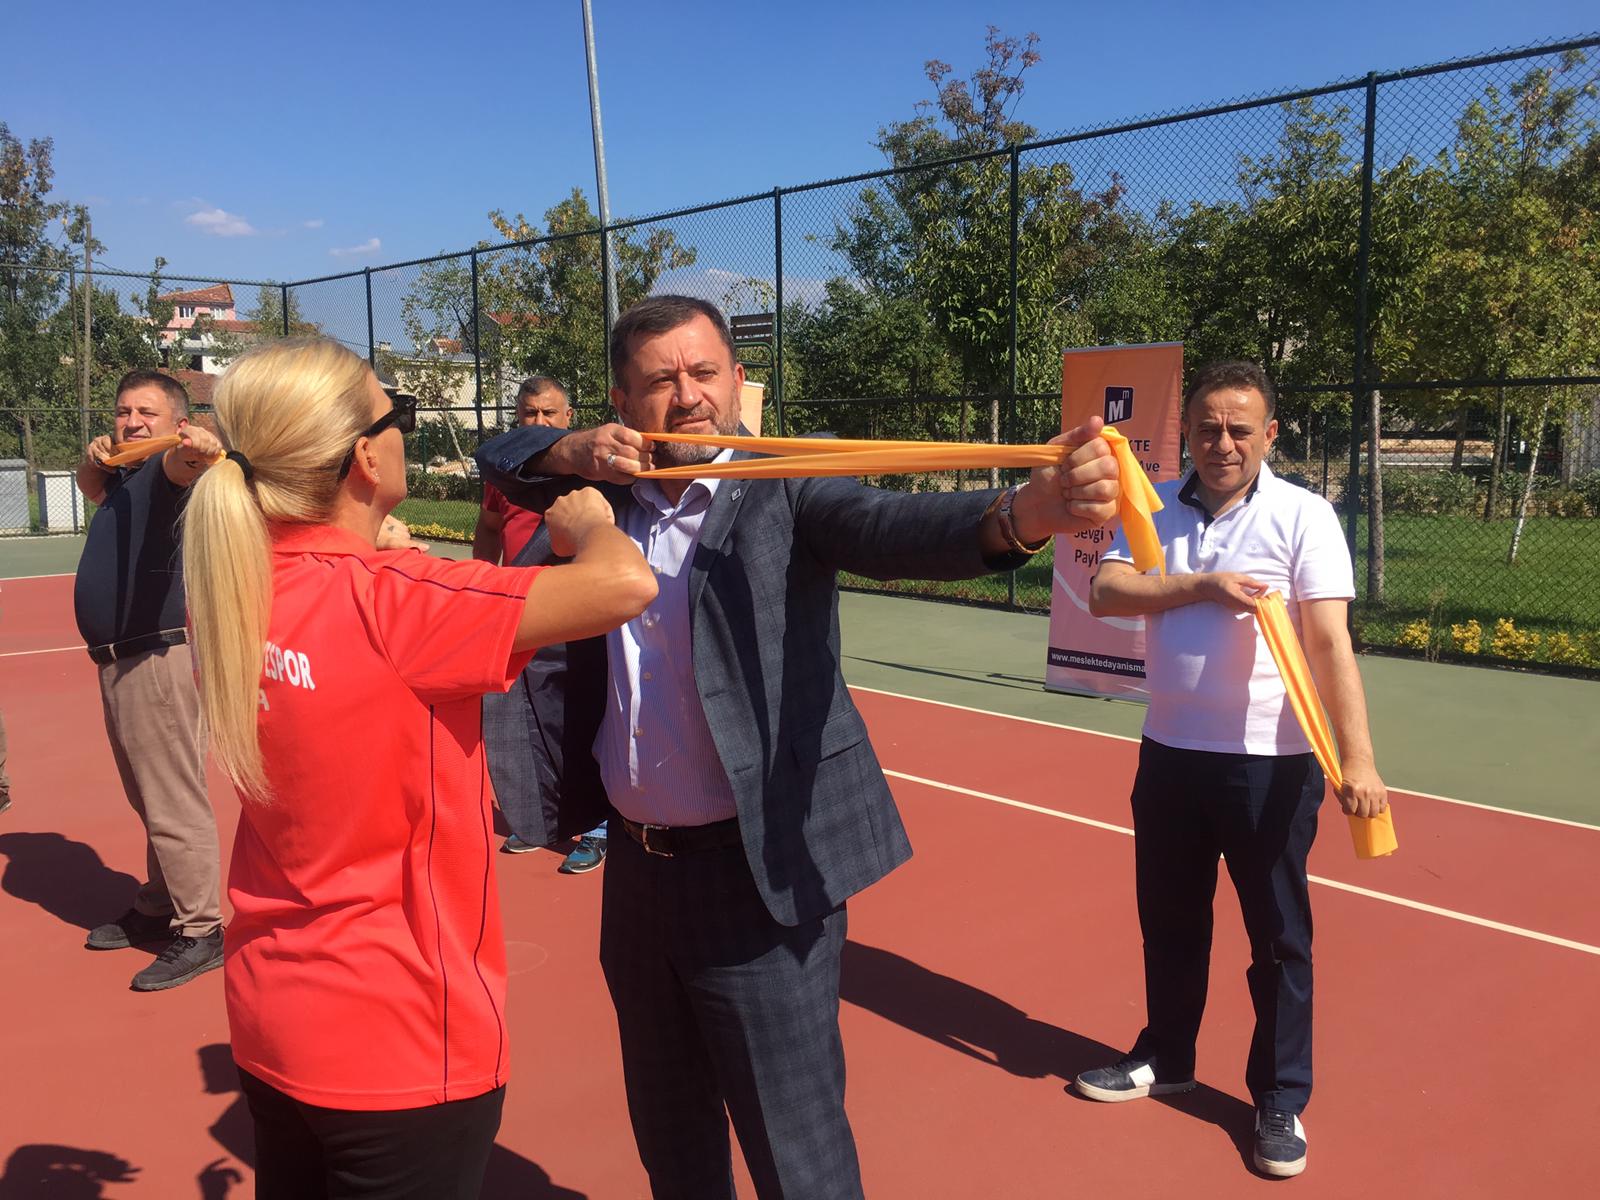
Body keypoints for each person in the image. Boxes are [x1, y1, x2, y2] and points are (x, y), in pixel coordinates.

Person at [476, 294, 1123, 1199]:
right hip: (637, 877)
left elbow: (890, 526)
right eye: (660, 381)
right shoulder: (602, 497)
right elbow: (501, 455)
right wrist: (567, 451)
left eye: (705, 373)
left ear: (739, 381)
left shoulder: (788, 482)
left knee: (797, 1156)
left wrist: (1025, 513)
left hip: (758, 875)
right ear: (620, 404)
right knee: (672, 1140)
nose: (688, 397)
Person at [180, 337, 654, 1200]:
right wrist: (588, 524)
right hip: (397, 1034)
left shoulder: (234, 583)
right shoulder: (397, 597)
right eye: (394, 415)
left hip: (272, 1009)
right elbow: (624, 586)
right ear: (366, 457)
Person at [1075, 360, 1388, 1180]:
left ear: (1269, 434)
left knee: (1278, 940)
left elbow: (1329, 643)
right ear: (1187, 431)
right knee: (1170, 921)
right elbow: (1109, 590)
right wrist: (1203, 586)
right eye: (1208, 428)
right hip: (1170, 755)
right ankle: (1166, 1055)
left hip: (1270, 768)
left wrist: (1357, 759)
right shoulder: (1155, 505)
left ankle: (1279, 1098)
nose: (1223, 443)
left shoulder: (1304, 515)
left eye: (1240, 430)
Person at [74, 369, 227, 991]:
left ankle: (202, 928)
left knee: (172, 798)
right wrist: (96, 457)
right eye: (122, 411)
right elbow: (90, 481)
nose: (131, 422)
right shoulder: (125, 476)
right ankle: (161, 903)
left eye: (146, 412)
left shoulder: (166, 471)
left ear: (177, 423)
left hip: (155, 655)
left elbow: (192, 461)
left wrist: (199, 446)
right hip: (121, 659)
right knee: (148, 796)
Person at [474, 376, 608, 872]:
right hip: (520, 611)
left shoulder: (589, 475)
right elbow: (488, 529)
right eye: (530, 413)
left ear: (569, 418)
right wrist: (482, 586)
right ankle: (547, 817)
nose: (539, 421)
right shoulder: (506, 475)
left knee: (585, 713)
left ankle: (598, 826)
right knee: (530, 716)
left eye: (550, 413)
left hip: (577, 611)